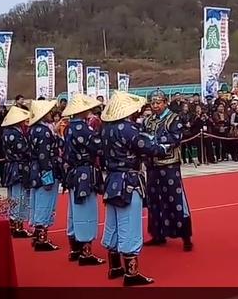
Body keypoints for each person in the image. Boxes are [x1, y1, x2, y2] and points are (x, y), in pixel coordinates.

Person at [100, 91, 170, 285]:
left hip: (112, 179)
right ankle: (131, 273)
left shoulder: (106, 129)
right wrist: (163, 147)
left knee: (112, 224)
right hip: (128, 181)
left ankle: (114, 266)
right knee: (129, 224)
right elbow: (148, 147)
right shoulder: (128, 129)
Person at [143, 90, 193, 251]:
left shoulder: (174, 118)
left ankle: (185, 236)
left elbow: (175, 138)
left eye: (158, 103)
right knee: (154, 201)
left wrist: (153, 142)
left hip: (169, 165)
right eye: (153, 103)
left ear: (165, 102)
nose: (155, 106)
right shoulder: (148, 120)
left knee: (175, 199)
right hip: (152, 166)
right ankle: (158, 234)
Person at [62, 93, 106, 265]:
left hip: (74, 172)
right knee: (86, 210)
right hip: (84, 173)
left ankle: (75, 248)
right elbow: (97, 146)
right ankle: (86, 253)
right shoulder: (82, 127)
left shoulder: (70, 127)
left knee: (74, 211)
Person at [28, 99, 62, 251]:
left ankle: (37, 235)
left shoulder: (33, 129)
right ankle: (42, 238)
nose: (51, 114)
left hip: (35, 169)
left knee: (37, 201)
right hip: (45, 169)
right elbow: (44, 155)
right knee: (45, 202)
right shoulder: (44, 131)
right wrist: (48, 174)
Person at [1, 105, 33, 238]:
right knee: (19, 196)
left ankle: (13, 223)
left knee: (13, 196)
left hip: (11, 166)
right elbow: (24, 150)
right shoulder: (15, 134)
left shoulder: (7, 133)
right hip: (18, 167)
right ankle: (18, 225)